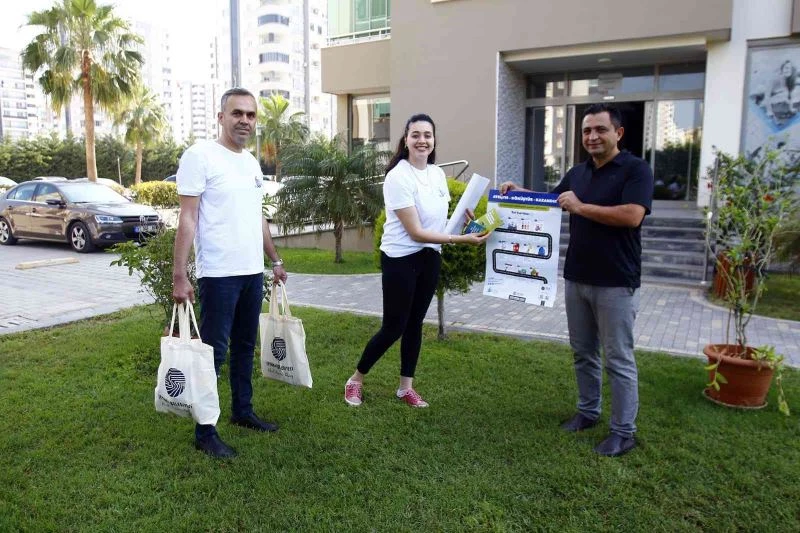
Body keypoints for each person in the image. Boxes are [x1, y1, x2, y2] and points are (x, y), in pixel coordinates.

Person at [500, 103, 653, 457]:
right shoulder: (578, 172)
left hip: (616, 281)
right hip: (578, 277)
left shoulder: (636, 170)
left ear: (618, 133)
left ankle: (623, 432)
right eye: (586, 131)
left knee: (618, 358)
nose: (592, 136)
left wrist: (581, 207)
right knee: (583, 352)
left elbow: (632, 215)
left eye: (600, 129)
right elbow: (554, 201)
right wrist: (519, 192)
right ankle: (588, 412)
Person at [172, 87, 288, 459]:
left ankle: (242, 411)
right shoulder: (200, 156)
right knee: (213, 353)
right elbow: (187, 217)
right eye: (237, 113)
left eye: (251, 115)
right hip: (219, 275)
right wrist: (179, 275)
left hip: (252, 272)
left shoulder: (251, 163)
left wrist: (274, 260)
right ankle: (205, 431)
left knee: (244, 347)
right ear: (221, 117)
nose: (245, 121)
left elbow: (258, 217)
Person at [344, 113, 489, 408]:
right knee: (394, 326)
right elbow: (416, 232)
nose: (422, 140)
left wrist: (464, 222)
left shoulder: (436, 174)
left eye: (428, 135)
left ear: (434, 140)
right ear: (406, 140)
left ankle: (405, 387)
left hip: (430, 257)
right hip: (400, 258)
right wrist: (461, 240)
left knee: (415, 324)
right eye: (416, 135)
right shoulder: (398, 176)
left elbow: (437, 222)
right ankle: (355, 379)